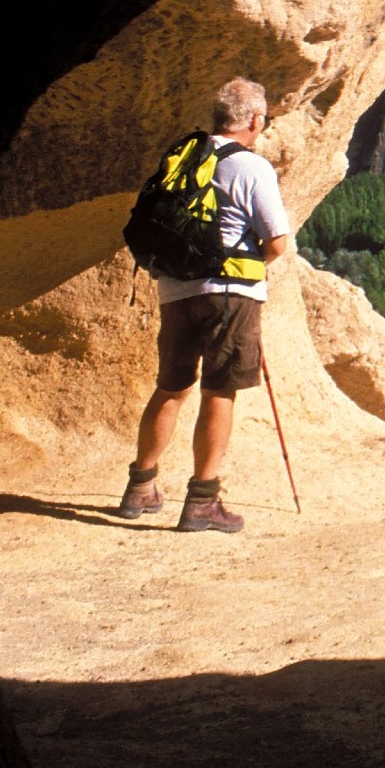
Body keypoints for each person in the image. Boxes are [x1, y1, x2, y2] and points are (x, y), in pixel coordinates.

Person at [118, 78, 294, 532]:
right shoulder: (252, 168)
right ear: (255, 120)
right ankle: (202, 501)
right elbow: (277, 242)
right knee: (220, 389)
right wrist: (251, 260)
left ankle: (140, 486)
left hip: (175, 290)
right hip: (230, 293)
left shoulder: (182, 159)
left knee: (172, 387)